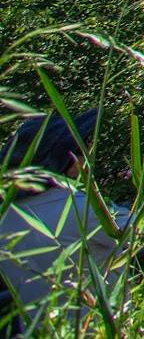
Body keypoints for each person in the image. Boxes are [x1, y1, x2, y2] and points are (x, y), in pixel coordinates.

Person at [1, 110, 119, 333]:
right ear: (64, 158)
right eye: (80, 150)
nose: (86, 156)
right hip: (108, 328)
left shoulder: (5, 220)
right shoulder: (79, 206)